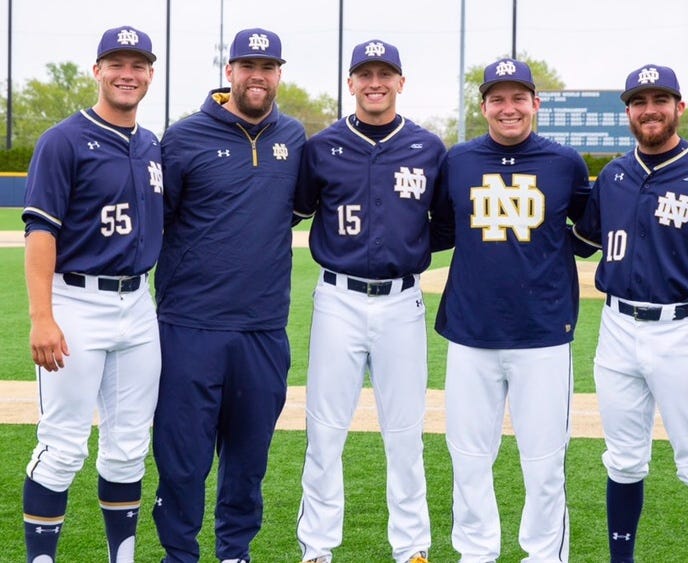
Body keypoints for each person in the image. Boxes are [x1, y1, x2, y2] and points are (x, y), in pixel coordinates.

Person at [572, 64, 688, 562]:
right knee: (624, 460)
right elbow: (581, 242)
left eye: (659, 100)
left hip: (684, 332)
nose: (649, 110)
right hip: (616, 331)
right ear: (627, 112)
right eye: (639, 102)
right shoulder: (614, 174)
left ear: (679, 107)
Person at [150, 27, 305, 562]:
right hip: (190, 325)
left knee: (248, 458)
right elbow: (157, 224)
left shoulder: (295, 138)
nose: (257, 76)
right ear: (229, 72)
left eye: (267, 67)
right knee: (183, 457)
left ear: (279, 74)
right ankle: (180, 554)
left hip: (263, 329)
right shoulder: (184, 136)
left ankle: (235, 551)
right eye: (247, 66)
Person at [429, 58, 592, 562]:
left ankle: (544, 554)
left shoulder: (565, 163)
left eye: (518, 97)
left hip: (543, 334)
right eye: (497, 99)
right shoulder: (457, 161)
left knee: (544, 461)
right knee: (469, 456)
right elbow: (439, 230)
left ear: (535, 104)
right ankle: (476, 552)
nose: (508, 108)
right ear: (483, 107)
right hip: (471, 332)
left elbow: (589, 238)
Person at [293, 39, 446, 563]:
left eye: (385, 73)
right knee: (325, 430)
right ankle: (317, 547)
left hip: (403, 302)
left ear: (402, 82)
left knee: (405, 432)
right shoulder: (323, 146)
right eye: (365, 73)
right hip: (337, 298)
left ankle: (412, 548)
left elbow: (444, 226)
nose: (375, 82)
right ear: (351, 82)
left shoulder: (428, 147)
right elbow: (294, 209)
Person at [20, 25, 162, 563]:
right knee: (62, 447)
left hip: (138, 306)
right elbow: (40, 234)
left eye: (139, 65)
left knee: (128, 450)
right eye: (117, 63)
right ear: (97, 70)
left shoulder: (151, 145)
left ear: (150, 74)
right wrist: (42, 317)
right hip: (76, 303)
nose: (128, 74)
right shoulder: (63, 140)